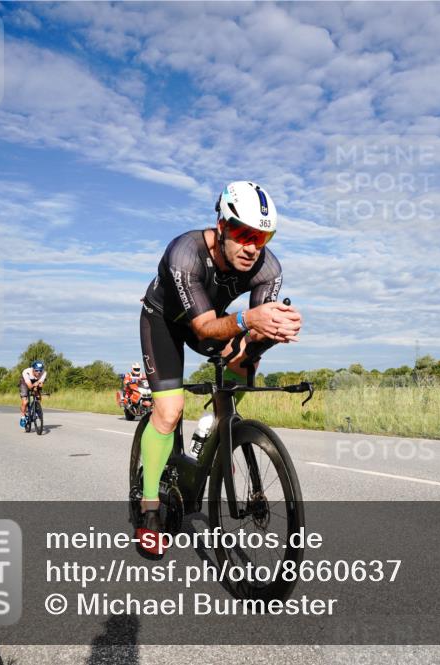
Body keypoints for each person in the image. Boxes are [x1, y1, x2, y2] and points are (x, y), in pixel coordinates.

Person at [136, 181, 301, 554]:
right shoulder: (186, 253)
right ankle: (149, 511)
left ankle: (217, 430)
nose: (251, 246)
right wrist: (248, 319)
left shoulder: (267, 267)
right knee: (169, 410)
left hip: (211, 318)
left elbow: (251, 329)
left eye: (262, 236)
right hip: (164, 320)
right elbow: (204, 328)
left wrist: (275, 328)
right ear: (222, 225)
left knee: (246, 358)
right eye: (242, 233)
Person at [19, 360, 47, 428]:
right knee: (25, 402)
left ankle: (37, 409)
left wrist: (38, 385)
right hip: (25, 382)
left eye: (40, 370)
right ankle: (23, 417)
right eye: (36, 370)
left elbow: (40, 384)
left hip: (35, 381)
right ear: (33, 369)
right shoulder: (26, 372)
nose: (39, 372)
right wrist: (35, 385)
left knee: (38, 396)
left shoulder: (44, 373)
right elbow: (30, 386)